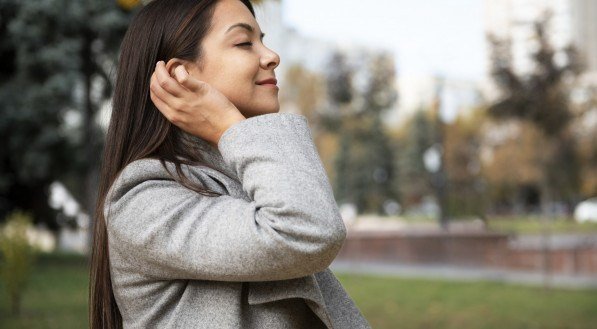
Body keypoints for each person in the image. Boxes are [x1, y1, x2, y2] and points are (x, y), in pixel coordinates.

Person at [89, 0, 371, 328]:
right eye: (244, 43)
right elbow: (307, 230)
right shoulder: (142, 200)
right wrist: (228, 125)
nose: (271, 56)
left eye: (263, 40)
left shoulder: (251, 178)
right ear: (180, 75)